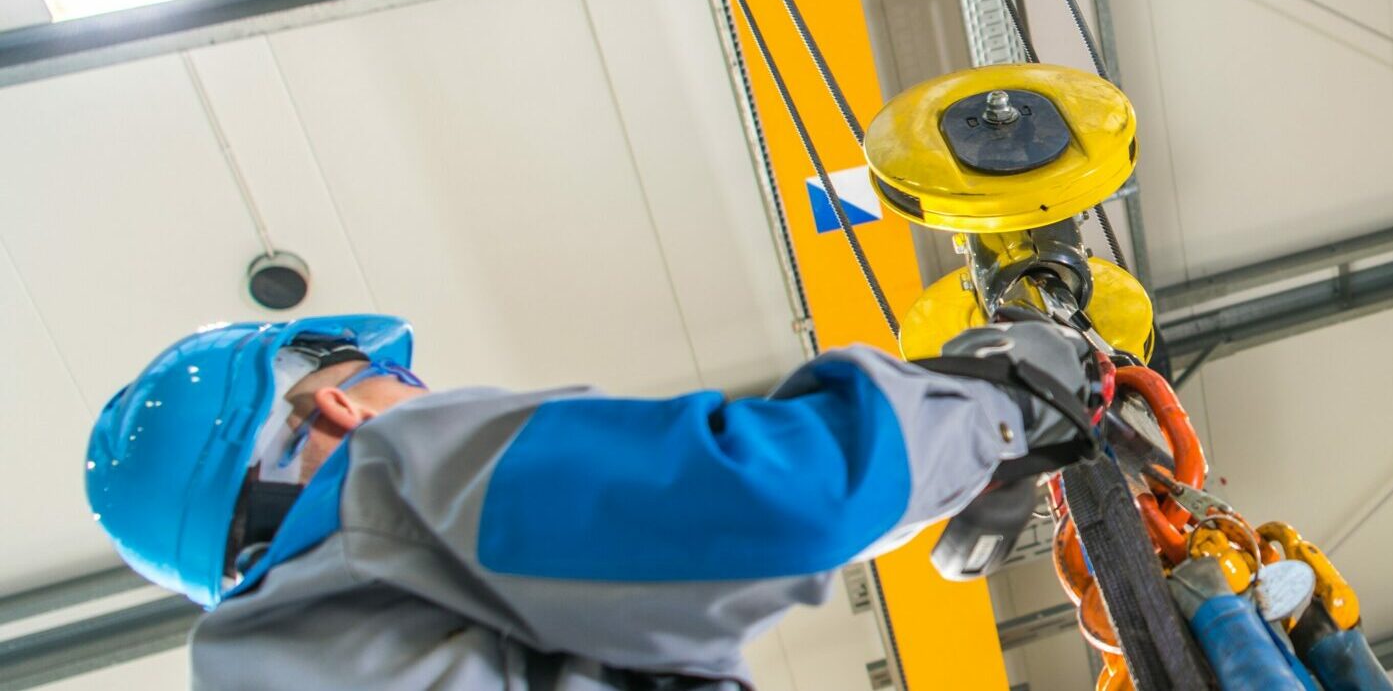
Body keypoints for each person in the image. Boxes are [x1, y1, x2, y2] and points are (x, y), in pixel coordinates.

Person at [85, 313, 1103, 689]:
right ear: (336, 404)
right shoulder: (387, 476)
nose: (420, 392)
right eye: (395, 377)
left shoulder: (275, 654)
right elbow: (773, 499)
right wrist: (1005, 399)